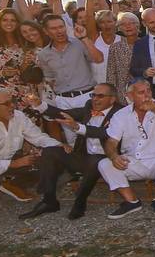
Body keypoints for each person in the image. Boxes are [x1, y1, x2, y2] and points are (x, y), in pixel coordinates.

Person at [0, 87, 65, 221]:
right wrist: (13, 164)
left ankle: (14, 184)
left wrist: (59, 146)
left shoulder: (18, 116)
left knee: (49, 160)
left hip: (11, 160)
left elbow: (37, 137)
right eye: (7, 104)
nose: (13, 106)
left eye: (12, 101)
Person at [22, 83, 124, 219]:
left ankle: (80, 201)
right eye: (93, 95)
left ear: (112, 99)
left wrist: (77, 127)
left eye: (100, 96)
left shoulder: (121, 112)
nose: (95, 99)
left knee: (95, 161)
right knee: (50, 152)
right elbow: (65, 114)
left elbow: (107, 133)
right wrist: (40, 104)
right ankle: (49, 201)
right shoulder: (89, 107)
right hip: (84, 156)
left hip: (110, 159)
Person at [98, 79, 155, 219]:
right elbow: (111, 142)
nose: (147, 95)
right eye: (141, 92)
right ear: (130, 96)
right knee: (104, 163)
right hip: (133, 161)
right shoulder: (121, 115)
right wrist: (114, 156)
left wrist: (154, 109)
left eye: (148, 91)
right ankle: (131, 201)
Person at [36, 14, 104, 143]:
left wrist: (84, 38)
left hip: (86, 96)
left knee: (93, 137)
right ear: (46, 31)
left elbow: (99, 59)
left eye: (61, 27)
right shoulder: (43, 54)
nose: (59, 31)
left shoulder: (80, 43)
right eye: (54, 28)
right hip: (63, 100)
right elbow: (49, 77)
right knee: (71, 139)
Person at [105, 11, 141, 104]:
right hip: (122, 94)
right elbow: (111, 73)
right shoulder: (115, 47)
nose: (127, 26)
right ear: (120, 28)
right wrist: (112, 95)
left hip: (144, 91)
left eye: (131, 23)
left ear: (138, 25)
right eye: (123, 24)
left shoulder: (145, 43)